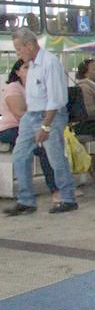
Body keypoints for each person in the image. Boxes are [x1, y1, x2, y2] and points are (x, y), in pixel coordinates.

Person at [4, 29, 78, 215]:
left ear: (30, 45)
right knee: (20, 156)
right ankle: (26, 200)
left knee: (55, 158)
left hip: (49, 115)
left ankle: (68, 198)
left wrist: (46, 125)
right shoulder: (31, 65)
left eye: (19, 49)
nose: (17, 53)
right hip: (31, 116)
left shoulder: (49, 63)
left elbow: (56, 99)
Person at [0, 59, 59, 202]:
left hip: (29, 128)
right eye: (26, 68)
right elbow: (20, 113)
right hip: (11, 128)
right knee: (44, 148)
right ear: (17, 72)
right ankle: (55, 189)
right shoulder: (13, 88)